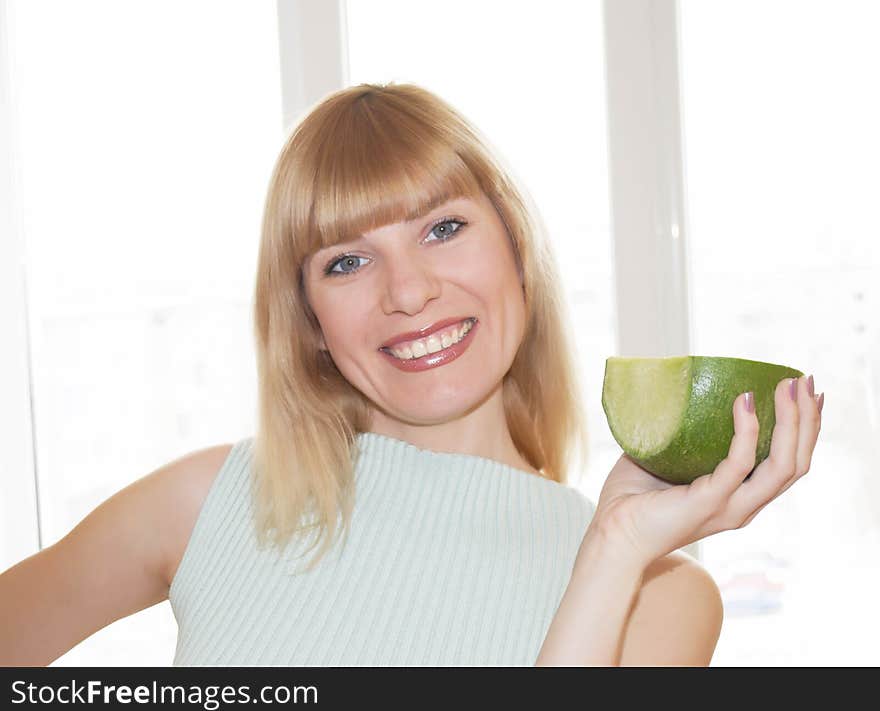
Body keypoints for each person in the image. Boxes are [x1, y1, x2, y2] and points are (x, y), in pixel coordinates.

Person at [0, 82, 823, 667]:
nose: (409, 292)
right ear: (310, 323)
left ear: (518, 253)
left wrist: (608, 554)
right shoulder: (206, 501)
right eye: (349, 259)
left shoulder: (660, 594)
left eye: (444, 228)